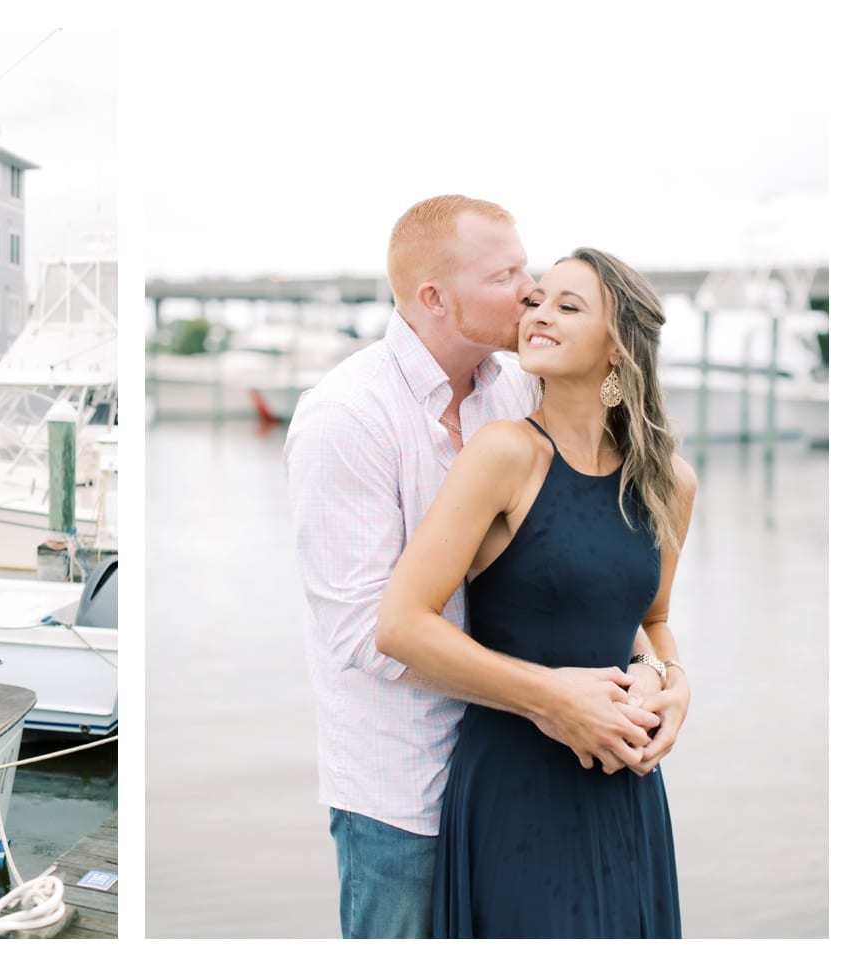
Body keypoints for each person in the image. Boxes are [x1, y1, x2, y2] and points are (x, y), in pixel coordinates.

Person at [284, 196, 690, 938]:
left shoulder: (517, 387)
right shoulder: (346, 415)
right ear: (436, 297)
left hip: (569, 761)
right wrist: (547, 697)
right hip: (404, 790)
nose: (530, 290)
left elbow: (597, 578)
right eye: (509, 275)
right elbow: (366, 632)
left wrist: (666, 675)